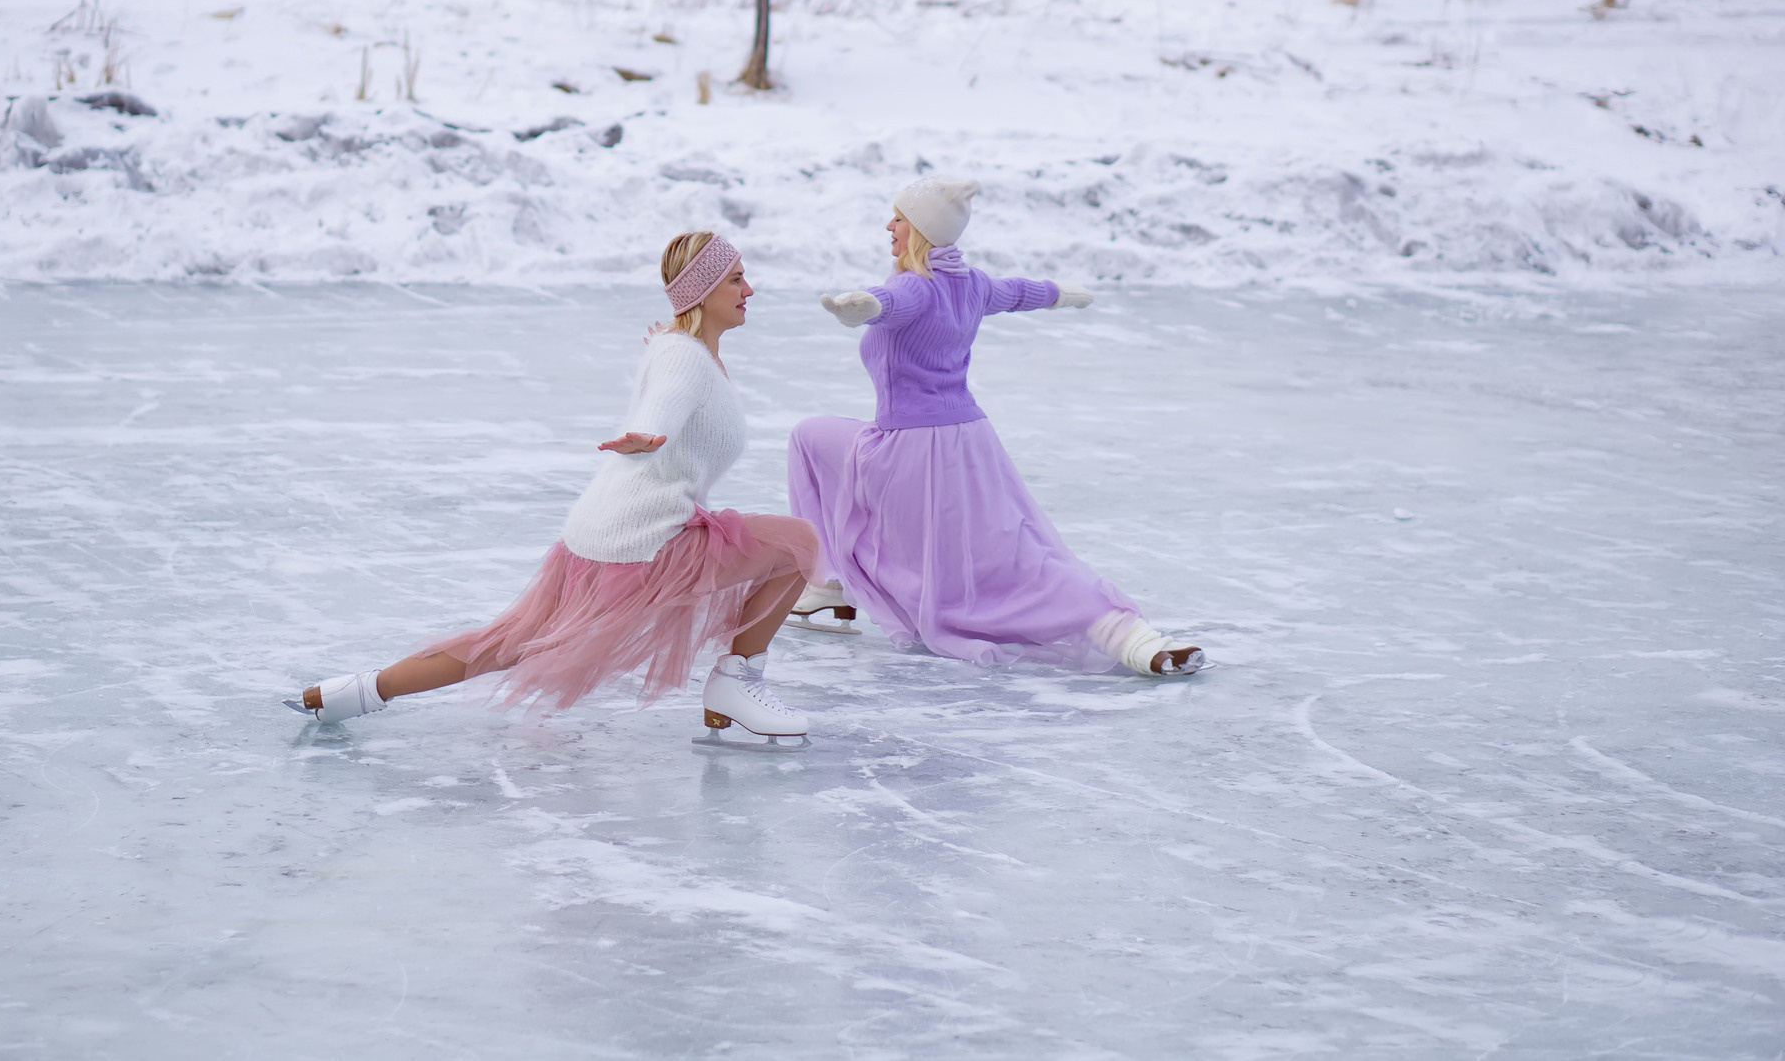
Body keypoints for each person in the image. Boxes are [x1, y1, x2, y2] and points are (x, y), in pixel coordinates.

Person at [288, 231, 822, 748]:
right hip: (644, 539)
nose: (748, 290)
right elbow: (661, 409)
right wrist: (648, 439)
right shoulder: (683, 358)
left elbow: (670, 376)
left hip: (606, 528)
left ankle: (353, 692)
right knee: (797, 544)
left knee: (511, 642)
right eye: (736, 279)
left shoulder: (681, 347)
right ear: (703, 293)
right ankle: (736, 684)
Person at [786, 178, 1206, 676]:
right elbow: (1016, 292)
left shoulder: (913, 286)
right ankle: (1136, 640)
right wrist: (1059, 294)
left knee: (807, 437)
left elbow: (893, 302)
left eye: (899, 217)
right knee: (1018, 551)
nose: (889, 225)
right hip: (970, 442)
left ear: (920, 229)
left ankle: (825, 584)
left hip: (912, 450)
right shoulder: (970, 282)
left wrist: (865, 306)